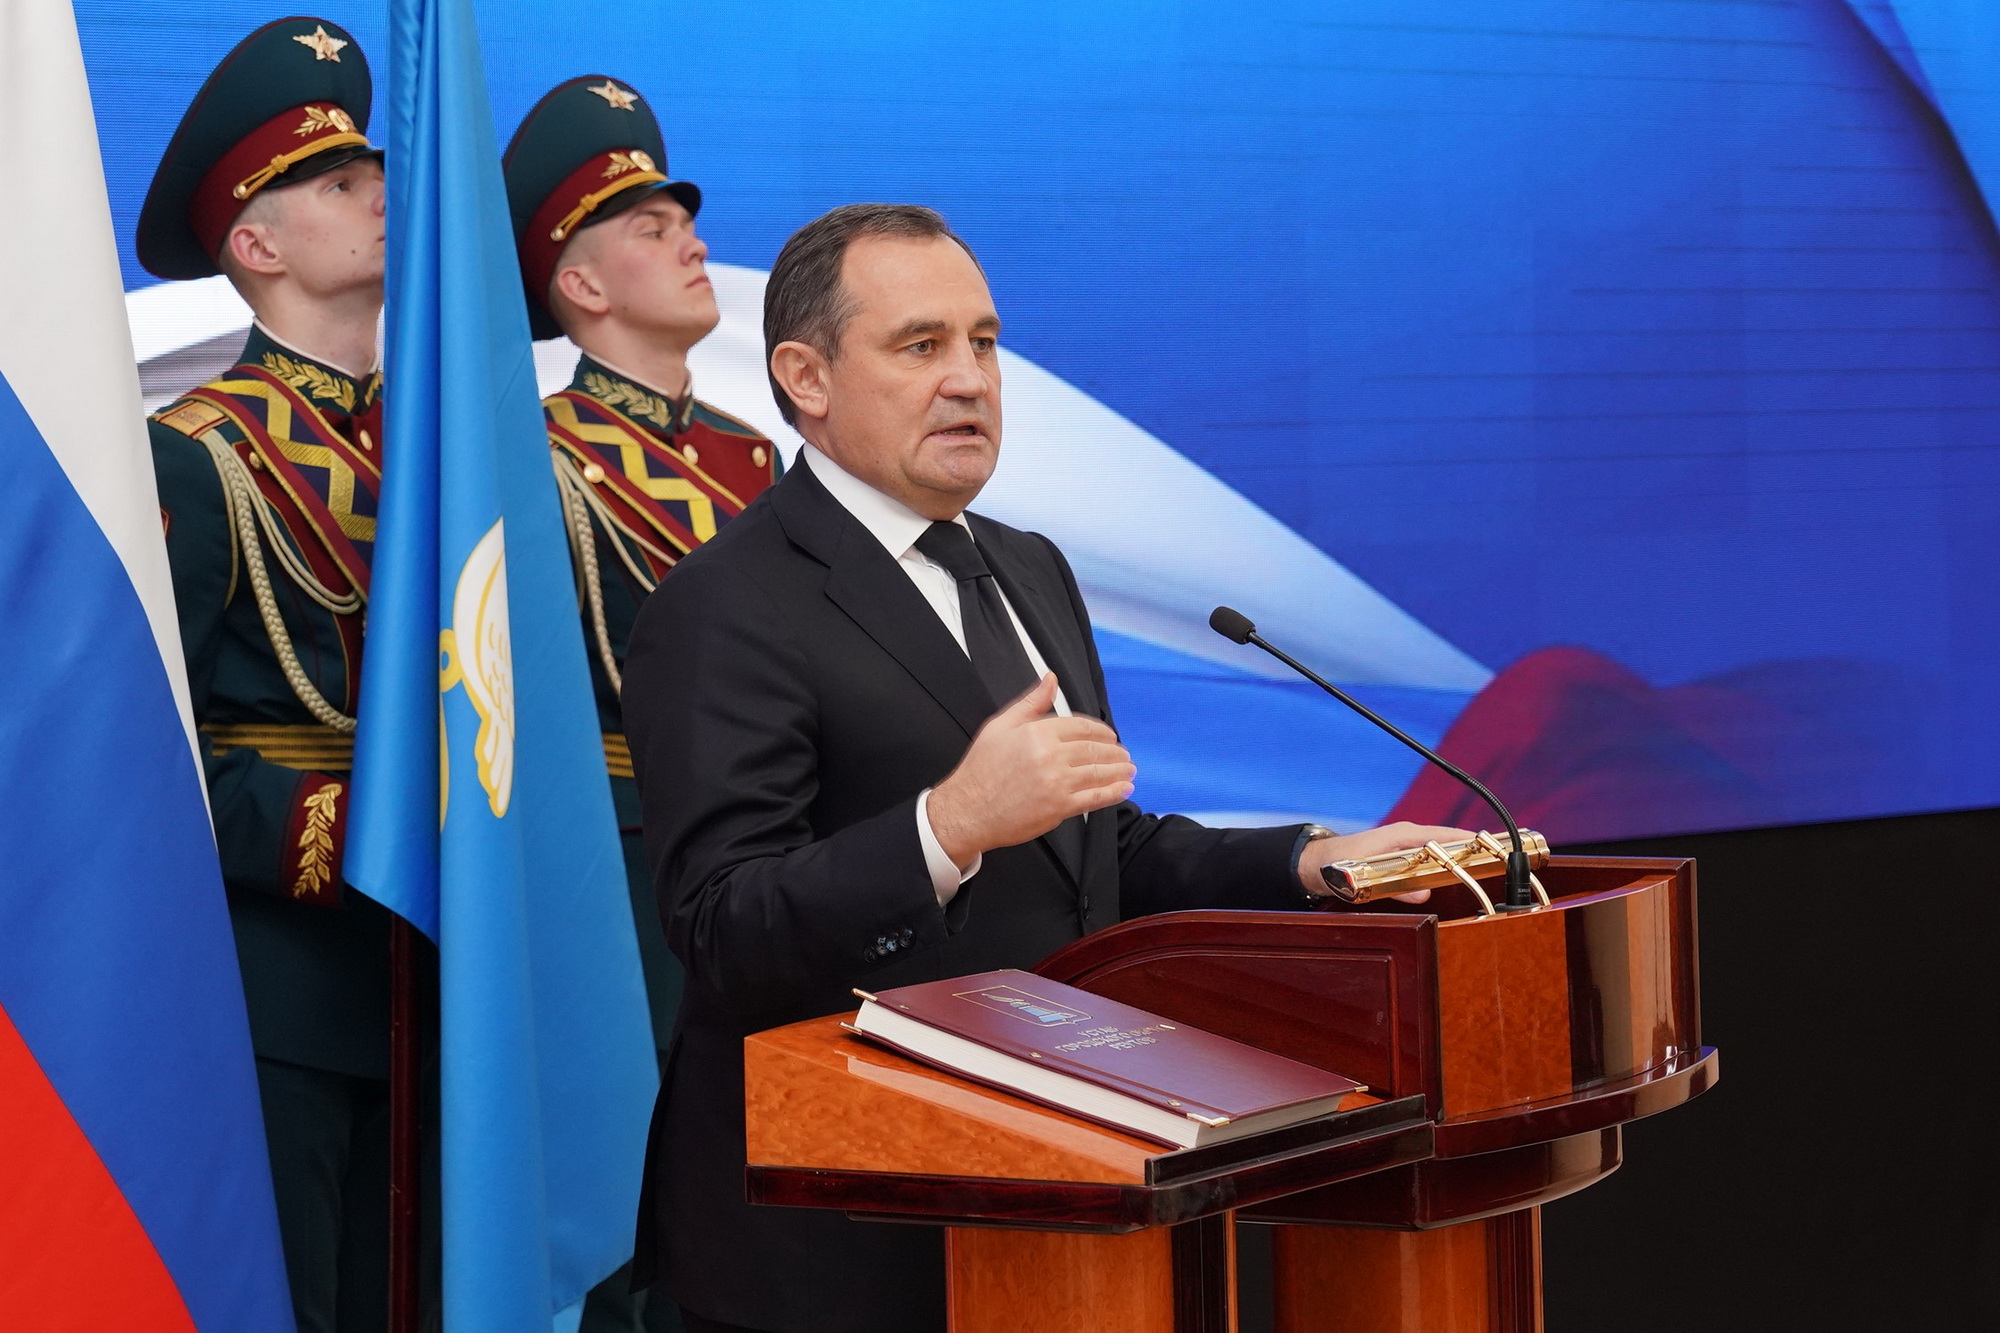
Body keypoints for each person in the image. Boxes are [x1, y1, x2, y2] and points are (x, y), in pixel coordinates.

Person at [619, 202, 1465, 1333]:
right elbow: (723, 922)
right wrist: (947, 826)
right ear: (804, 377)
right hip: (844, 1237)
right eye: (920, 345)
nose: (968, 380)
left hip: (1063, 1196)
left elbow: (1095, 850)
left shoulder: (1026, 568)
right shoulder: (726, 602)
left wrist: (1315, 860)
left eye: (983, 342)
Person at [139, 17, 404, 1331]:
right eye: (340, 185)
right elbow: (143, 747)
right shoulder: (189, 456)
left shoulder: (450, 458)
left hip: (448, 974)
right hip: (285, 978)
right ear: (258, 247)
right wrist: (340, 829)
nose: (382, 196)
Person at [502, 76, 779, 1333]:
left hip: (769, 865)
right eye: (649, 227)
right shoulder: (529, 455)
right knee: (615, 1208)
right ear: (580, 284)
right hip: (616, 871)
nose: (692, 241)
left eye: (687, 220)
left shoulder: (752, 457)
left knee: (746, 1211)